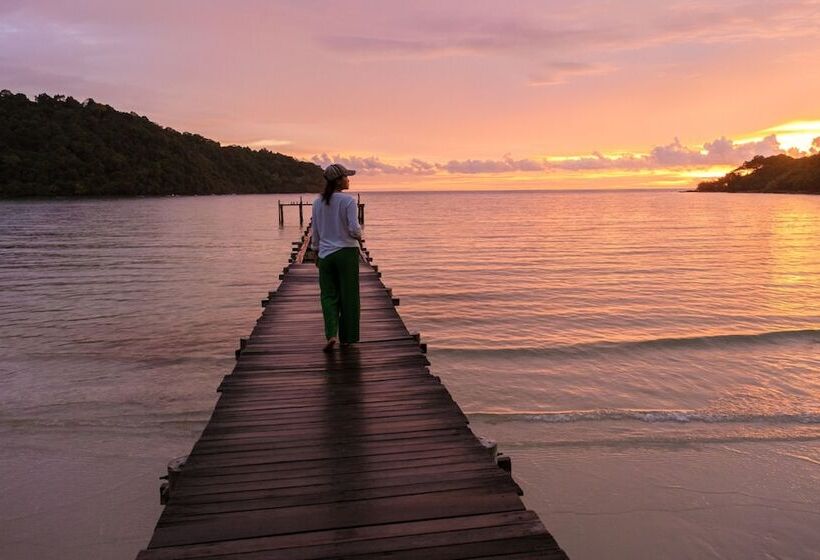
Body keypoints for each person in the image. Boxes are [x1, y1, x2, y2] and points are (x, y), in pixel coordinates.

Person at [311, 163, 362, 352]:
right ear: (339, 180)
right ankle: (347, 338)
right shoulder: (348, 201)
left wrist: (316, 251)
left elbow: (315, 231)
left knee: (328, 295)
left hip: (325, 255)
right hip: (346, 253)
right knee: (349, 296)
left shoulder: (318, 202)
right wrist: (359, 235)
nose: (349, 180)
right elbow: (354, 229)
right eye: (346, 177)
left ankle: (331, 334)